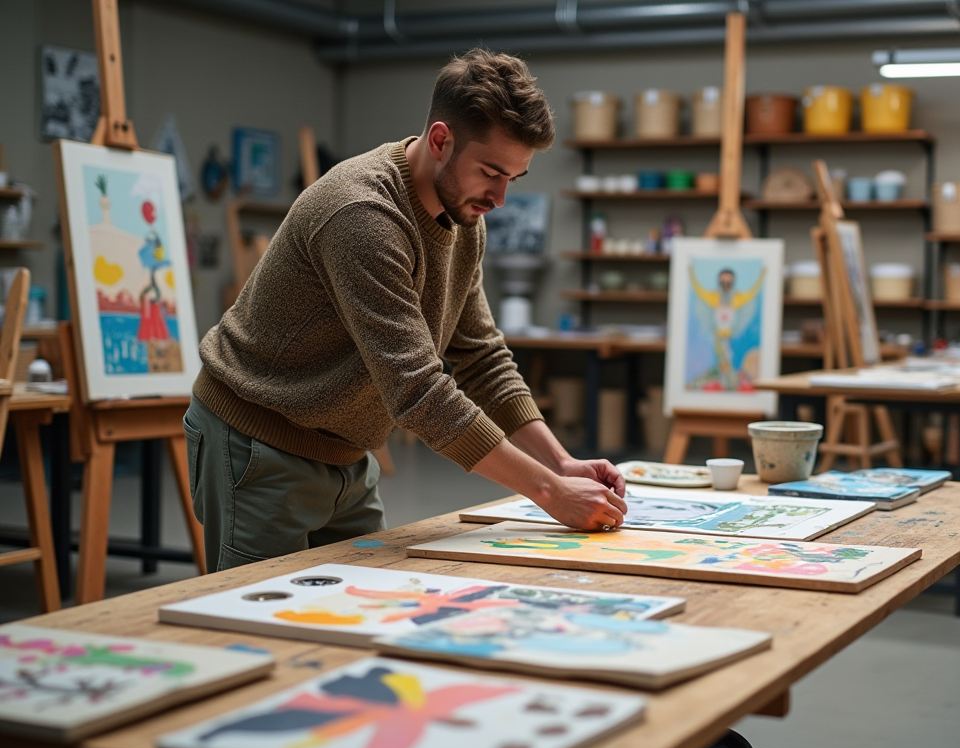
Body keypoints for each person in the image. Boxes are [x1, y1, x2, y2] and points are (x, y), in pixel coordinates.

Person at [183, 48, 627, 575]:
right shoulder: (362, 214)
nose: (501, 197)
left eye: (515, 177)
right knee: (256, 627)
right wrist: (548, 491)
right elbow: (419, 392)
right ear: (441, 140)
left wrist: (561, 462)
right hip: (259, 445)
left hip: (346, 453)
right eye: (490, 172)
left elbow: (481, 357)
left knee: (361, 615)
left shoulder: (465, 218)